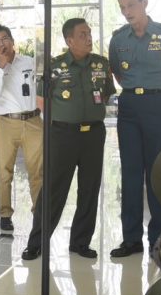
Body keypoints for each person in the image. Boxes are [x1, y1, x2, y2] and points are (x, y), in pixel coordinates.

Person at [21, 18, 113, 261]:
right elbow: (41, 101)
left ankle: (80, 242)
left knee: (89, 189)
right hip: (63, 135)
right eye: (82, 34)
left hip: (93, 134)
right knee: (53, 189)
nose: (89, 37)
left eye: (90, 33)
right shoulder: (55, 66)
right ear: (69, 40)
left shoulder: (101, 64)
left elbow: (105, 95)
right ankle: (37, 242)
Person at [108, 0, 161, 258]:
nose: (127, 12)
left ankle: (158, 238)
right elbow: (117, 73)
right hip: (129, 107)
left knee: (158, 173)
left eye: (131, 5)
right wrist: (137, 91)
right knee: (130, 174)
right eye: (122, 7)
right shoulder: (118, 40)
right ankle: (131, 240)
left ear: (144, 3)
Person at [0, 25, 42, 232]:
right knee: (4, 171)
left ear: (12, 40)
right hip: (6, 123)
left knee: (37, 171)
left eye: (5, 39)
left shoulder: (29, 62)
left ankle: (39, 211)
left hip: (33, 121)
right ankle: (5, 214)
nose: (2, 43)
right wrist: (1, 68)